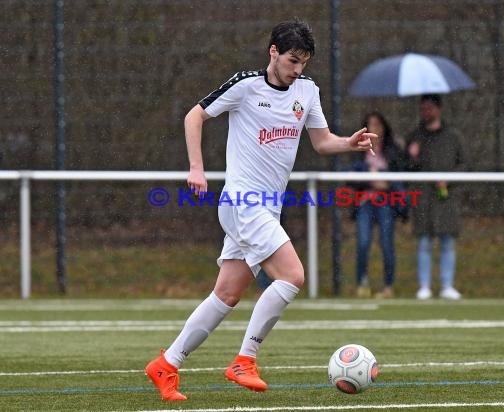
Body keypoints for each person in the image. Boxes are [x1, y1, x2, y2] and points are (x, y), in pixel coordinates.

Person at [145, 19, 378, 401]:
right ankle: (245, 359)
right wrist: (197, 168)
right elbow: (194, 116)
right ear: (273, 51)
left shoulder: (307, 91)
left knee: (227, 294)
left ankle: (167, 364)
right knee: (293, 276)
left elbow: (321, 143)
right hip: (242, 202)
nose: (297, 69)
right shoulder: (246, 86)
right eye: (291, 60)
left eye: (304, 62)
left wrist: (347, 143)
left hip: (268, 209)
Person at [406, 94, 465, 300]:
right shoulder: (415, 136)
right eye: (423, 108)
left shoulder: (453, 136)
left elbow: (464, 165)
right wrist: (412, 156)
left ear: (438, 109)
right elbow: (406, 169)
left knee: (447, 241)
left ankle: (447, 285)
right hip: (423, 197)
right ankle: (424, 286)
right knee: (424, 241)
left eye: (429, 108)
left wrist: (448, 180)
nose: (426, 112)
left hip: (446, 198)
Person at [351, 111, 408, 299]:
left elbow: (401, 176)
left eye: (377, 124)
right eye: (370, 125)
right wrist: (369, 177)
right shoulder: (358, 150)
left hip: (386, 202)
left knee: (386, 243)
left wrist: (384, 182)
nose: (374, 129)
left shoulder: (393, 150)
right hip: (365, 202)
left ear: (384, 128)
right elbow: (350, 177)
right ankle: (362, 283)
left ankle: (388, 286)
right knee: (363, 241)